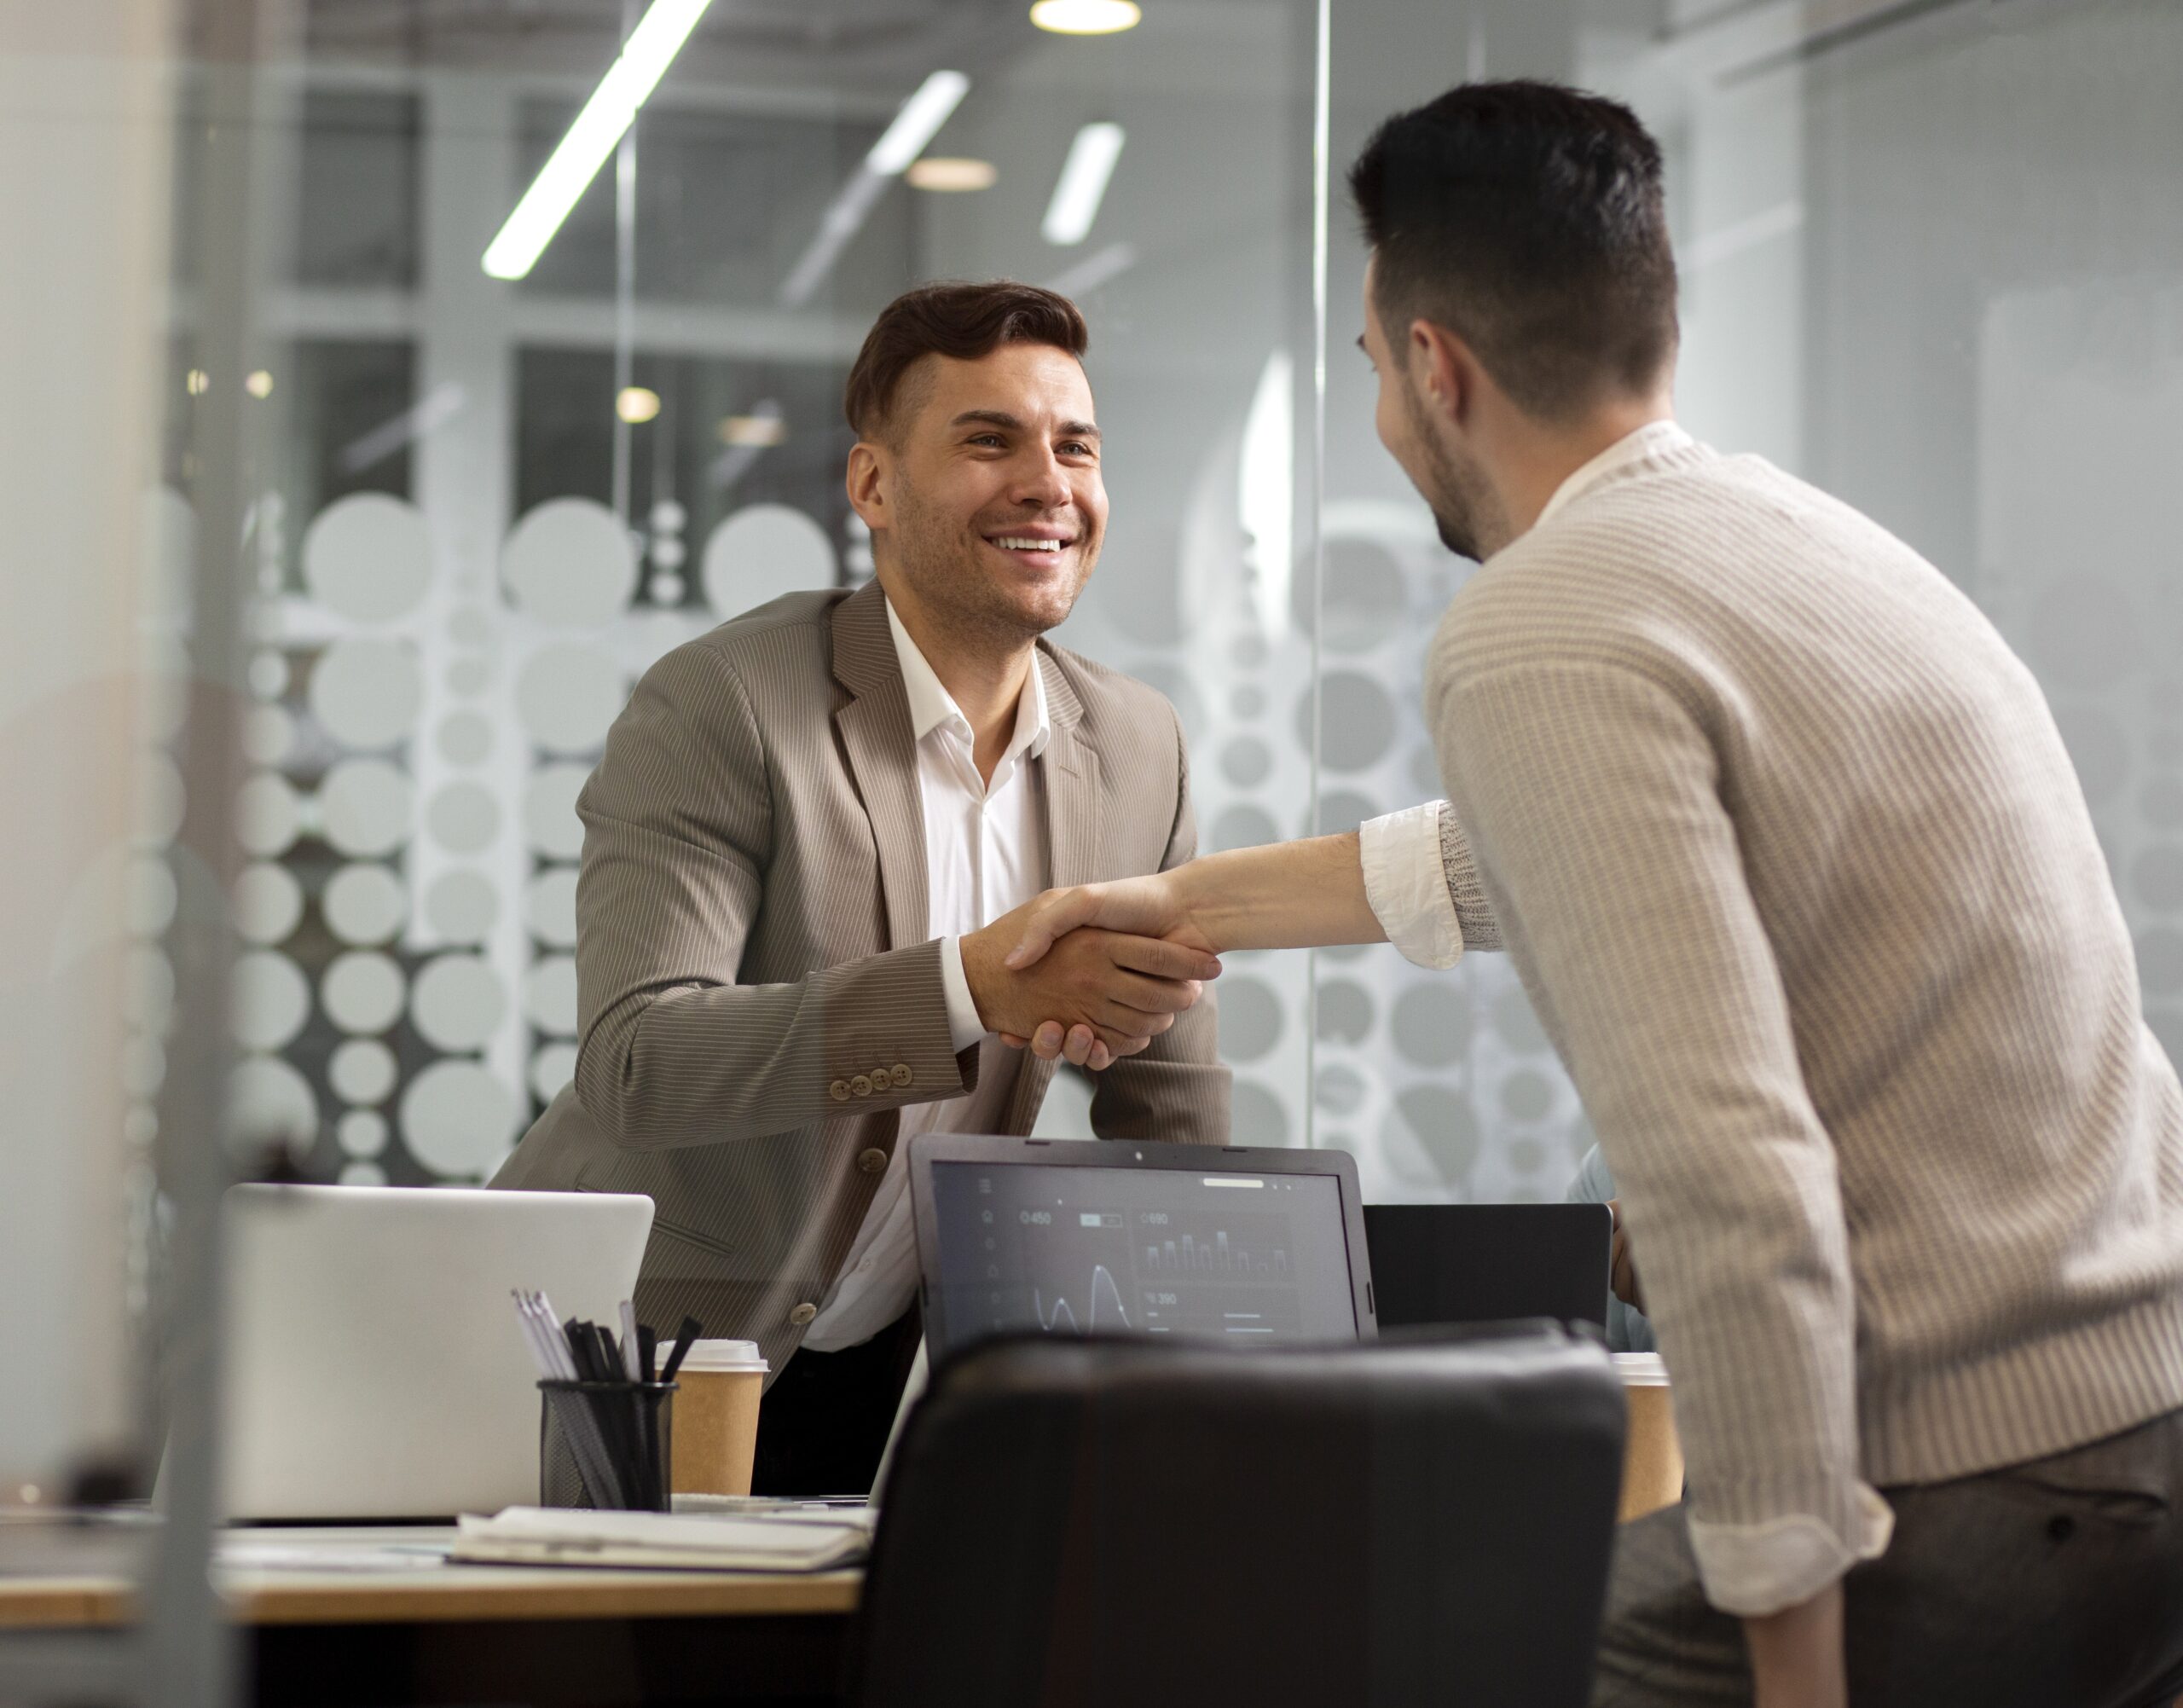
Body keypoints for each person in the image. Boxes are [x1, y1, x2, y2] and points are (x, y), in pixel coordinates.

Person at [1000, 81, 2183, 1708]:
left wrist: (1793, 1651)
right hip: (2141, 1433)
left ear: (1435, 369)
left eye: (1370, 369)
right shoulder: (1804, 549)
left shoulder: (1543, 622)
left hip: (1972, 1490)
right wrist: (1174, 907)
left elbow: (1725, 1172)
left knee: (1369, 1644)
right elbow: (1520, 855)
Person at [492, 281, 1229, 1497]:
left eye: (1076, 447)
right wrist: (964, 989)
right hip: (628, 1356)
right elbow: (639, 1058)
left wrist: (1217, 1391)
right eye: (988, 440)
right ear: (873, 486)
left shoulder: (1136, 745)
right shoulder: (727, 702)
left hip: (875, 1369)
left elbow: (1170, 1103)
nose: (1049, 483)